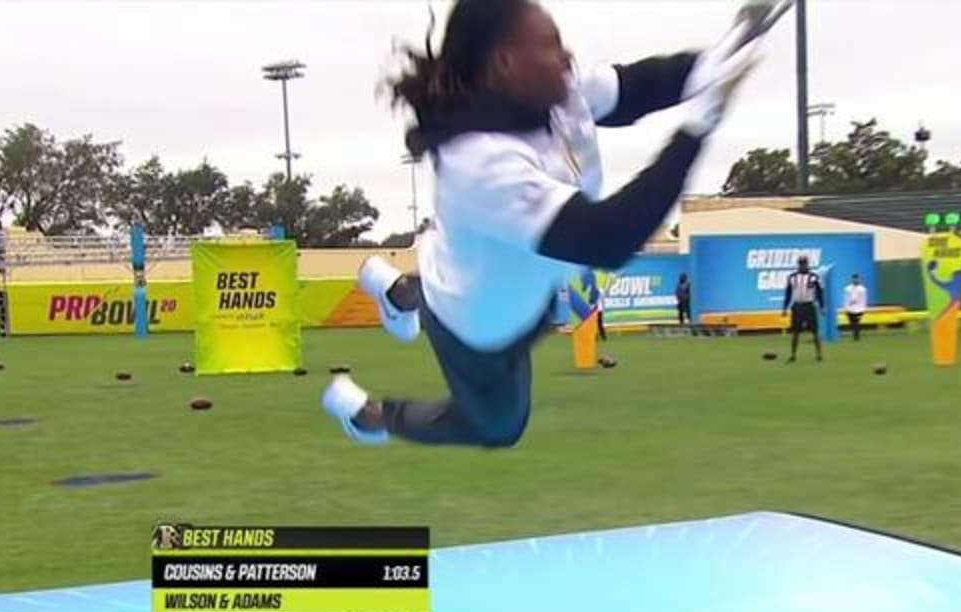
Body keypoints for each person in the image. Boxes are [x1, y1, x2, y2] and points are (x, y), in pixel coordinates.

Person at [321, 0, 779, 447]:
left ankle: (398, 291)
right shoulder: (477, 161)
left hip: (518, 289)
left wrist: (728, 49)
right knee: (499, 426)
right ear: (505, 63)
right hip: (476, 327)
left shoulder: (558, 86)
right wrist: (695, 131)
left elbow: (638, 87)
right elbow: (606, 239)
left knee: (507, 289)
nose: (567, 56)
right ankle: (370, 415)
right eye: (550, 44)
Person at [782, 256, 823, 362]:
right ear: (798, 264)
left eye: (804, 263)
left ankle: (819, 354)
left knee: (815, 331)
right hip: (797, 306)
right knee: (796, 332)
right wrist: (785, 308)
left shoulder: (814, 277)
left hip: (809, 305)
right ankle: (793, 355)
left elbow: (819, 293)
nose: (803, 265)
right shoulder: (792, 277)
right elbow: (788, 293)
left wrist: (822, 306)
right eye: (801, 264)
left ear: (807, 264)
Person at [843, 272, 867, 341]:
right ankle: (855, 335)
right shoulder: (847, 288)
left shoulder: (862, 289)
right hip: (849, 309)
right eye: (854, 279)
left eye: (857, 279)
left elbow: (864, 299)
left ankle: (856, 337)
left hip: (859, 309)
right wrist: (846, 307)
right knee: (852, 323)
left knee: (856, 322)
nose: (855, 280)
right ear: (852, 279)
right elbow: (845, 299)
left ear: (859, 279)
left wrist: (863, 308)